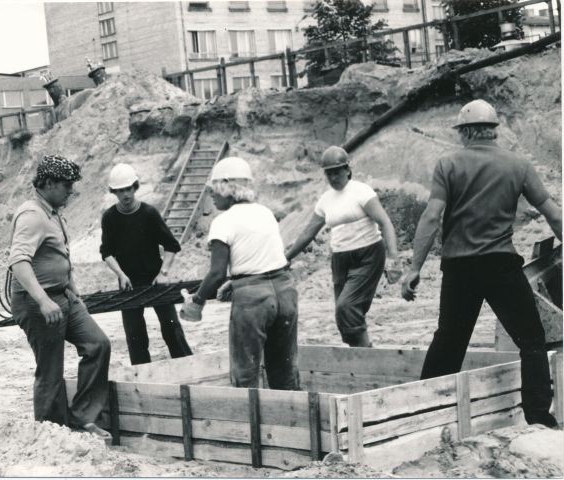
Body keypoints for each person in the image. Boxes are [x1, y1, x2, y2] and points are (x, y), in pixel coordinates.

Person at [401, 99, 561, 428]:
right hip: (501, 264)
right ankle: (538, 419)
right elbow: (553, 212)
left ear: (465, 132)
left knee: (448, 341)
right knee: (531, 340)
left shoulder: (448, 164)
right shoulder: (518, 164)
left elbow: (432, 217)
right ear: (492, 131)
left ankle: (423, 415)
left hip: (460, 269)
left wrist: (414, 268)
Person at [9, 154, 111, 438]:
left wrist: (72, 289)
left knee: (97, 344)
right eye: (67, 185)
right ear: (49, 183)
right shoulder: (32, 216)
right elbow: (18, 261)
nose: (71, 191)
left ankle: (83, 417)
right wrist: (42, 300)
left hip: (62, 295)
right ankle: (52, 433)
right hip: (37, 301)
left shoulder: (52, 213)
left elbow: (59, 256)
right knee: (50, 369)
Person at [180, 157, 299, 390]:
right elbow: (265, 260)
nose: (211, 196)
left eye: (214, 189)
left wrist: (197, 301)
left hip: (253, 301)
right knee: (284, 371)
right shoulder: (265, 213)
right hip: (285, 292)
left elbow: (215, 273)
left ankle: (252, 426)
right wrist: (236, 282)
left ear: (227, 187)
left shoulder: (223, 222)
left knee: (246, 374)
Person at [285, 146, 401, 348]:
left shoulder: (361, 192)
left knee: (347, 307)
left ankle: (365, 355)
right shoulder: (325, 200)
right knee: (343, 316)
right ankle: (359, 353)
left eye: (337, 172)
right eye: (328, 173)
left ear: (347, 169)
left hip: (368, 255)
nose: (333, 177)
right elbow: (308, 233)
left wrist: (393, 258)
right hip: (340, 259)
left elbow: (385, 222)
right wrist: (286, 257)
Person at [100, 163, 193, 365]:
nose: (125, 194)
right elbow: (106, 252)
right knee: (135, 336)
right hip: (129, 284)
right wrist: (120, 275)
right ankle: (142, 378)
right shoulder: (109, 218)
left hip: (155, 281)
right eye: (120, 190)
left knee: (171, 329)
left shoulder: (149, 213)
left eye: (128, 189)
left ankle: (187, 366)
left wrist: (164, 273)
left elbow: (171, 245)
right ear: (113, 192)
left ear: (135, 187)